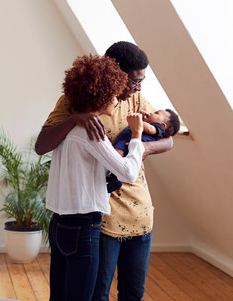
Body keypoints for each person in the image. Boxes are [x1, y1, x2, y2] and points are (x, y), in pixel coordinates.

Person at [36, 41, 173, 301]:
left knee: (132, 293)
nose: (138, 89)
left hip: (139, 212)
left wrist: (142, 148)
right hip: (100, 218)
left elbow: (168, 137)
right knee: (96, 294)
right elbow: (42, 144)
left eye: (142, 81)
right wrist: (76, 119)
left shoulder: (137, 99)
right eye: (134, 82)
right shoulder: (78, 103)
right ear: (114, 76)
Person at [46, 54, 145, 301]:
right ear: (101, 93)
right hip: (83, 227)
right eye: (114, 92)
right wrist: (136, 136)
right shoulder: (92, 132)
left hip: (58, 224)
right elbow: (128, 172)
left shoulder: (68, 131)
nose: (117, 98)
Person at [106, 109, 180, 192]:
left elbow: (148, 129)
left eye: (156, 113)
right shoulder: (152, 123)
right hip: (125, 140)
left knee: (116, 156)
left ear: (163, 125)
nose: (152, 112)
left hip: (128, 143)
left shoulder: (158, 128)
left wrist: (138, 120)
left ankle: (110, 179)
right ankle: (114, 181)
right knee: (116, 166)